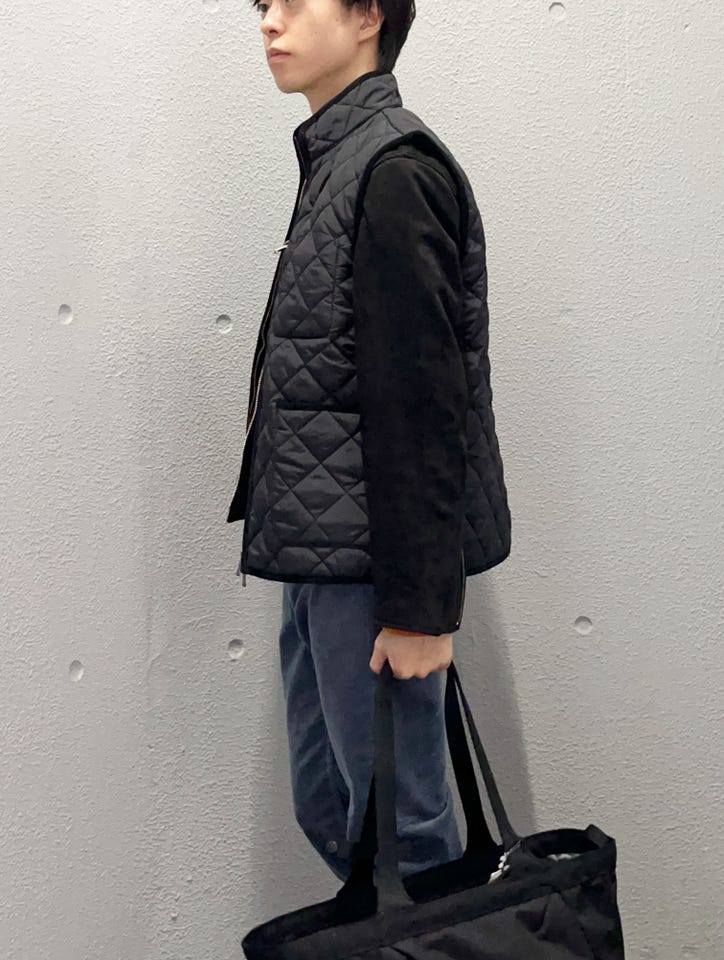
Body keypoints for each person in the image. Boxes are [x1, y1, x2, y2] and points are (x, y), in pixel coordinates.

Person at [226, 0, 512, 882]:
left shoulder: (394, 170)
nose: (269, 23)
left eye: (293, 2)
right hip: (321, 562)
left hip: (369, 573)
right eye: (261, 5)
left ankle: (429, 939)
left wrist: (420, 610)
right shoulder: (339, 161)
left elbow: (425, 403)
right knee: (334, 810)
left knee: (405, 834)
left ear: (366, 18)